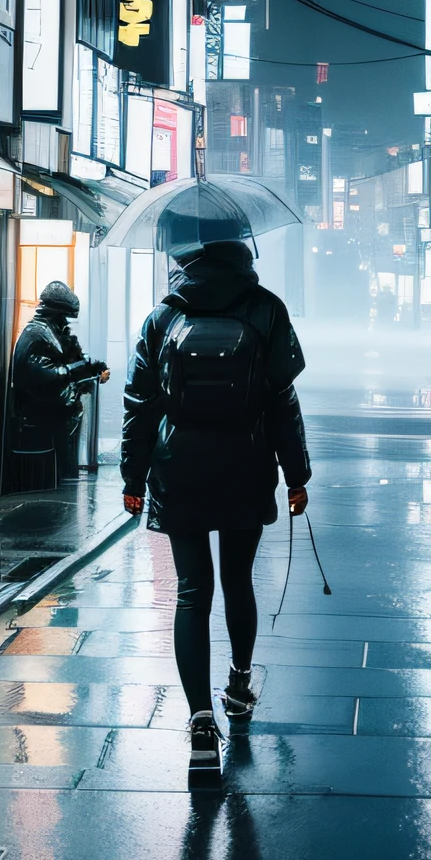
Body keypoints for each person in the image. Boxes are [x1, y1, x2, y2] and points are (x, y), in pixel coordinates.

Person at [120, 235, 311, 776]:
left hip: (179, 466)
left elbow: (140, 403)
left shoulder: (164, 315)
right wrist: (296, 475)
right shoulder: (266, 307)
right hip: (246, 463)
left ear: (185, 255)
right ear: (240, 250)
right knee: (238, 582)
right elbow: (282, 403)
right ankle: (240, 682)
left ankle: (200, 719)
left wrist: (133, 476)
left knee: (190, 591)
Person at [11, 279, 108, 480]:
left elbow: (67, 361)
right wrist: (82, 372)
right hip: (42, 415)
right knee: (61, 462)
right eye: (64, 317)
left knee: (65, 460)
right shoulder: (36, 334)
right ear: (56, 314)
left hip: (53, 413)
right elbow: (46, 374)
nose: (66, 322)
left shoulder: (47, 332)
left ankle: (66, 477)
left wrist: (91, 369)